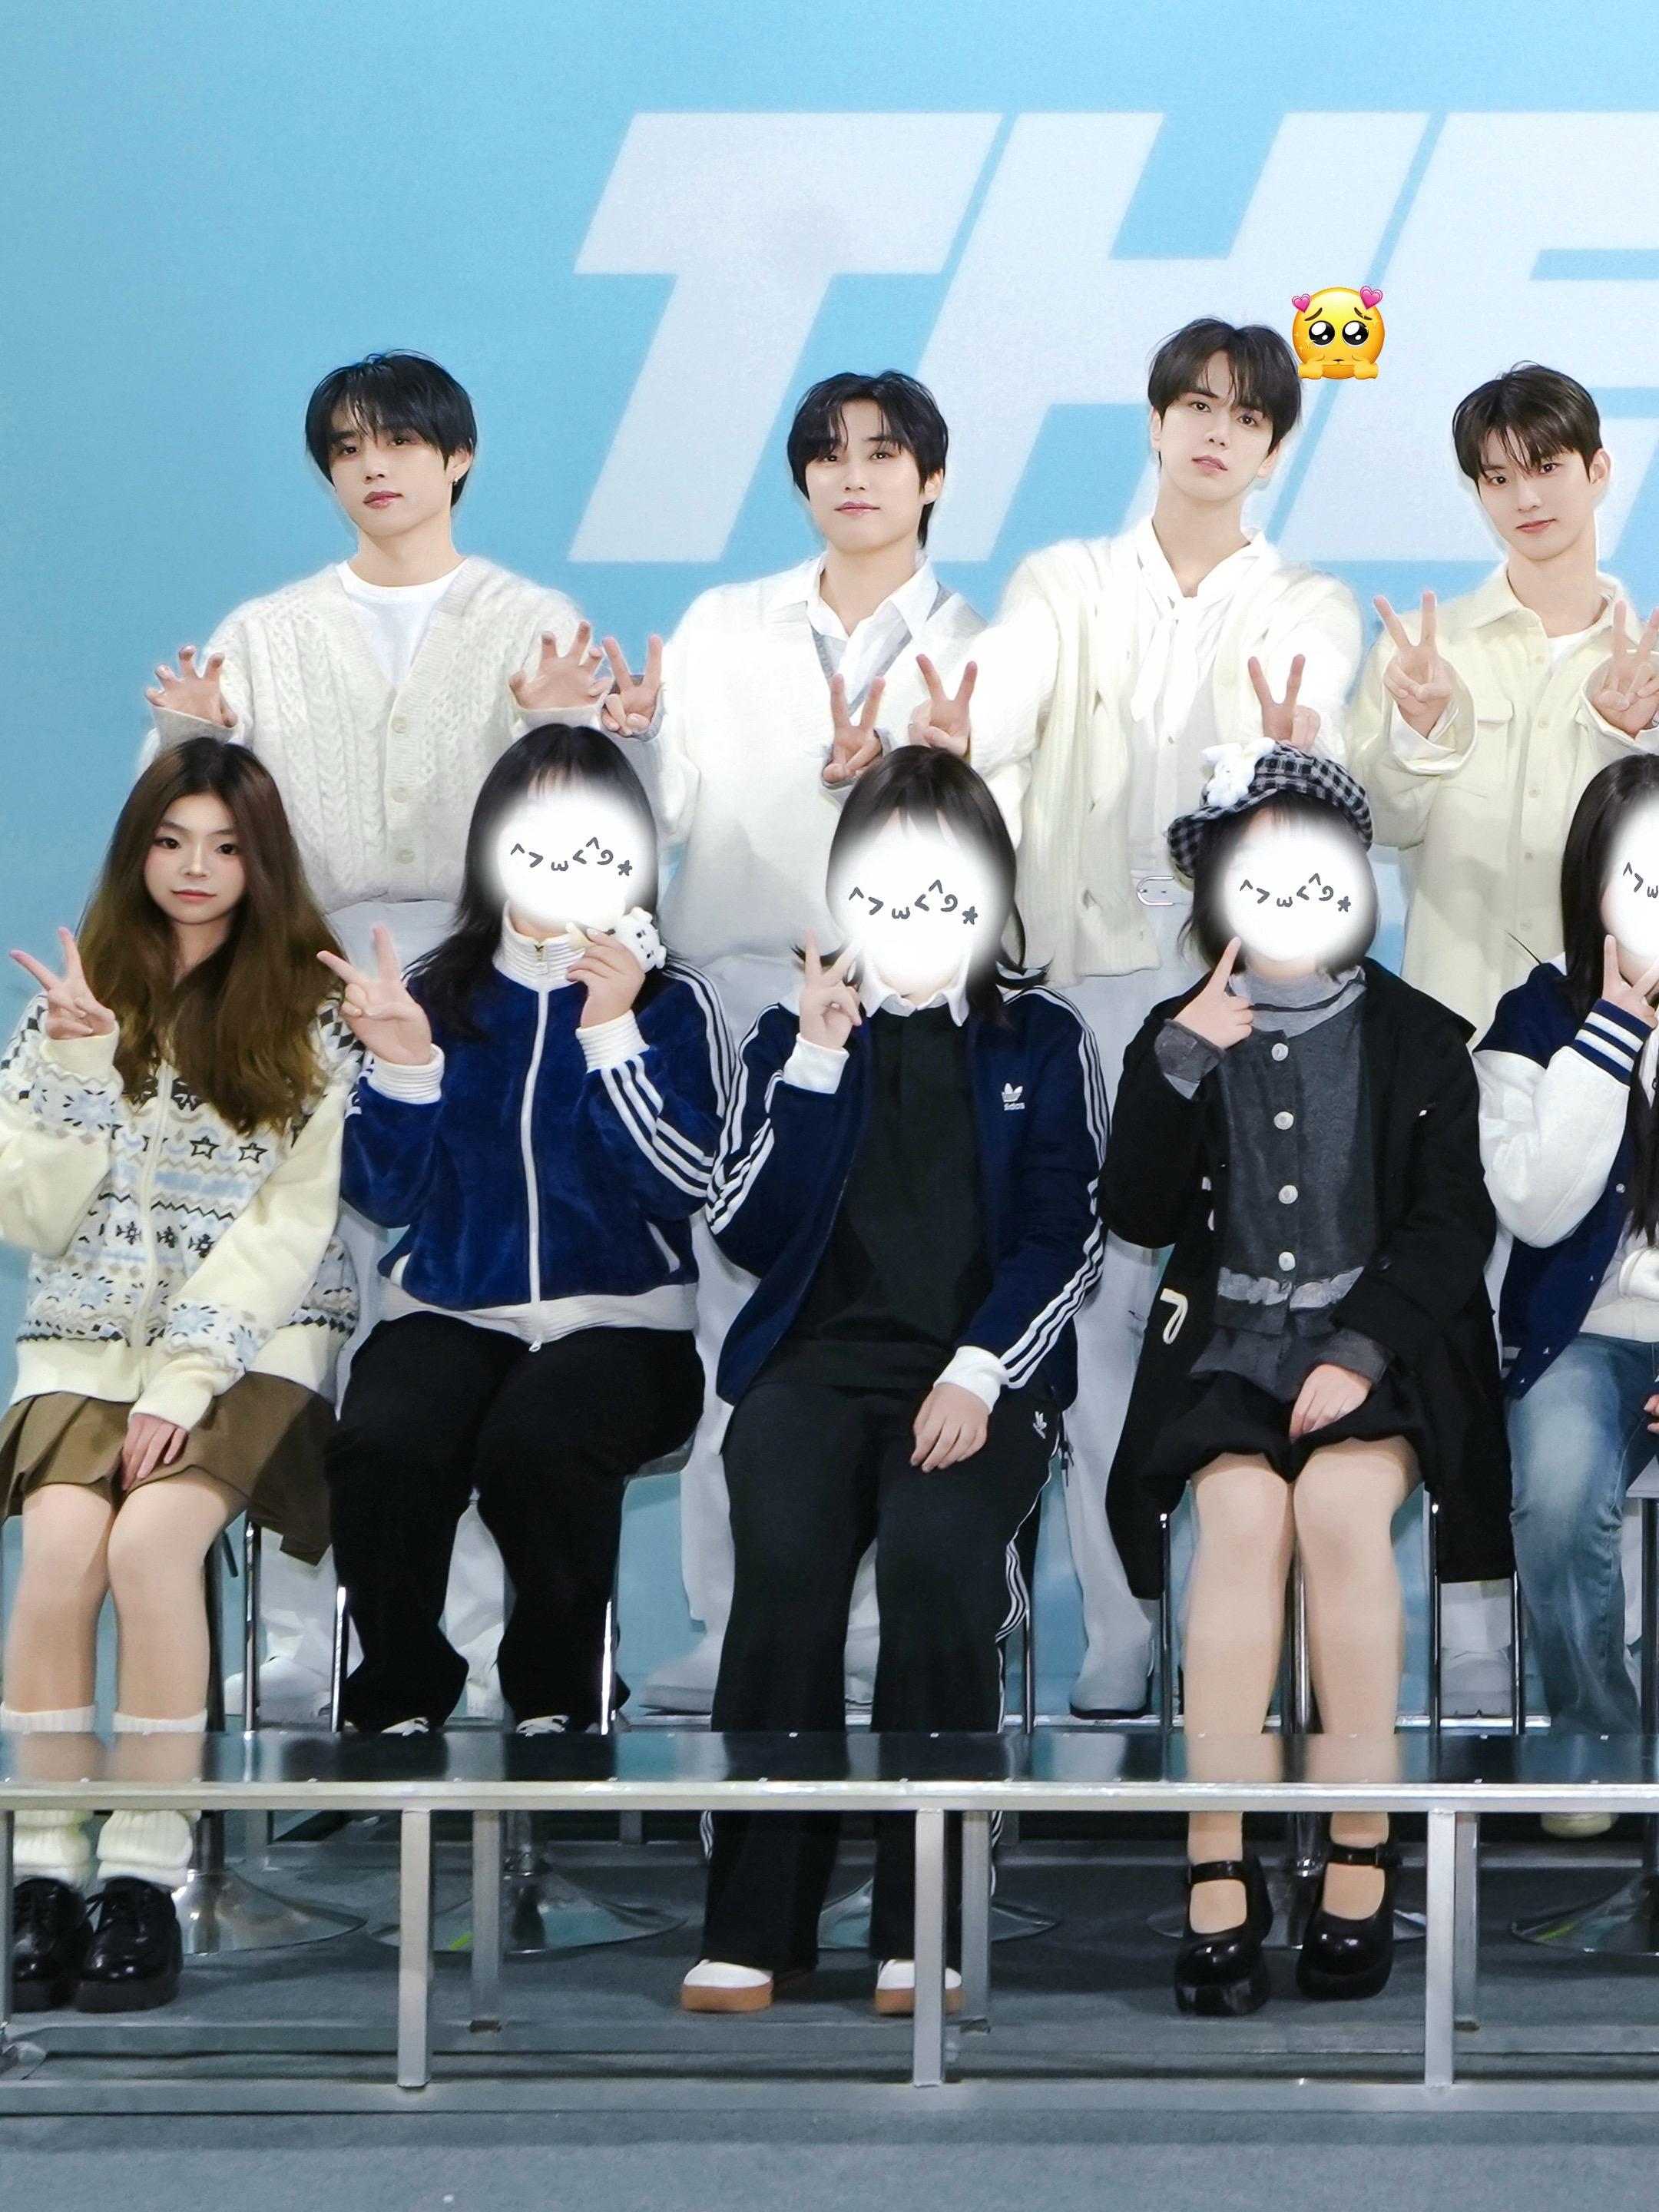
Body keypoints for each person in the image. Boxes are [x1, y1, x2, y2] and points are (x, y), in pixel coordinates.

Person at [143, 349, 604, 1718]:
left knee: (452, 1319)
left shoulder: (533, 622)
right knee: (299, 1308)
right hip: (297, 991)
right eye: (347, 449)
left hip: (481, 995)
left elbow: (596, 822)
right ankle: (305, 1650)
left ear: (459, 457)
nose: (374, 467)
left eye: (400, 441)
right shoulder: (264, 631)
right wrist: (179, 742)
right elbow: (186, 830)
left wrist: (574, 725)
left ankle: (461, 1646)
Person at [934, 318, 1364, 1717]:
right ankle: (1122, 1632)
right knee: (1100, 1315)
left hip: (1237, 999)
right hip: (1078, 993)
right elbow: (1006, 690)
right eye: (1194, 405)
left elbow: (1302, 723)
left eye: (1245, 415)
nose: (1215, 432)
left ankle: (1243, 1644)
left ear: (1274, 447)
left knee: (1244, 1309)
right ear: (1156, 420)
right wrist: (957, 731)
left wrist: (1295, 745)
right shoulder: (1063, 579)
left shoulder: (1308, 600)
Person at [680, 747, 1105, 2016]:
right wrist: (815, 1070)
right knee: (784, 1572)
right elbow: (744, 1229)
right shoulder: (791, 1033)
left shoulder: (1043, 1039)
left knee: (932, 1564)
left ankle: (929, 1918)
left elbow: (1067, 1237)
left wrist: (979, 1372)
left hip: (977, 1378)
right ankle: (757, 1920)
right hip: (816, 1373)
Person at [599, 369, 995, 1715]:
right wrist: (632, 743)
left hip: (907, 1006)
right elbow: (663, 812)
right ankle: (739, 1628)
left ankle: (877, 1636)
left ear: (933, 479)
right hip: (745, 993)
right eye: (829, 454)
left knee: (901, 1307)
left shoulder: (981, 644)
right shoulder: (726, 625)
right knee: (746, 1319)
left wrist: (918, 774)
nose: (856, 476)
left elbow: (993, 841)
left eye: (885, 453)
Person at [1101, 742, 1510, 2015]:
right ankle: (1216, 1860)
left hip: (1377, 1351)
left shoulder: (1420, 1037)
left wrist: (1357, 1348)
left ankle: (1361, 1847)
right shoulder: (1180, 1033)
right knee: (1238, 1517)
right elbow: (1136, 1210)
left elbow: (1452, 1224)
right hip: (1229, 1347)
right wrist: (1181, 1062)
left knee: (1337, 1510)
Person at [1, 739, 359, 2011]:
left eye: (223, 845)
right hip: (85, 1340)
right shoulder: (77, 997)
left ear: (261, 862)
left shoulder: (312, 1010)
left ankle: (146, 1875)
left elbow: (288, 1227)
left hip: (255, 1342)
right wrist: (73, 1074)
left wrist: (183, 1383)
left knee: (153, 1550)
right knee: (58, 1562)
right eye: (169, 841)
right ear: (136, 851)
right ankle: (45, 1869)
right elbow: (31, 1217)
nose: (194, 868)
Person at [322, 727, 727, 1734]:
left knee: (539, 1443)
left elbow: (682, 1183)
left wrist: (612, 1030)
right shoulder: (430, 992)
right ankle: (399, 1697)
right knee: (384, 1443)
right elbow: (381, 1191)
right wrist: (405, 1071)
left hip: (624, 1327)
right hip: (450, 1311)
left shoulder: (673, 1003)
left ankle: (559, 1700)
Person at [1349, 363, 1659, 1038]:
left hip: (1610, 1028)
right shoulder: (1421, 654)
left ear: (1598, 471)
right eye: (1498, 479)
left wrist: (1622, 737)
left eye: (1547, 467)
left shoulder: (1650, 671)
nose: (1526, 498)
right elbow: (1378, 824)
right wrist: (1423, 733)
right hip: (1447, 1027)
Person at [1477, 756, 1659, 1829]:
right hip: (1581, 1338)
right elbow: (1537, 1208)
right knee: (1555, 1489)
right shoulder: (1532, 1017)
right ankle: (1598, 1743)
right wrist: (1615, 1029)